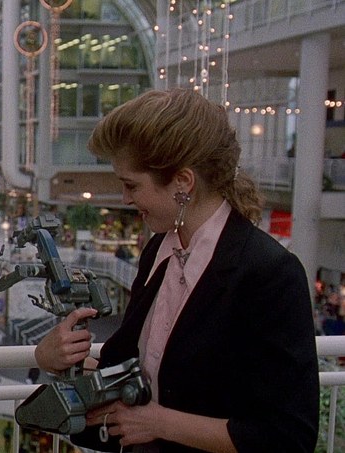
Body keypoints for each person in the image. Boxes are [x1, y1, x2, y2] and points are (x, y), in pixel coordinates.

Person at [34, 89, 319, 452]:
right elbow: (139, 376)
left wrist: (161, 423)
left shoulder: (270, 273)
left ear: (183, 182)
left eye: (131, 185)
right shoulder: (158, 250)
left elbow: (288, 436)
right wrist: (55, 359)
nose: (125, 198)